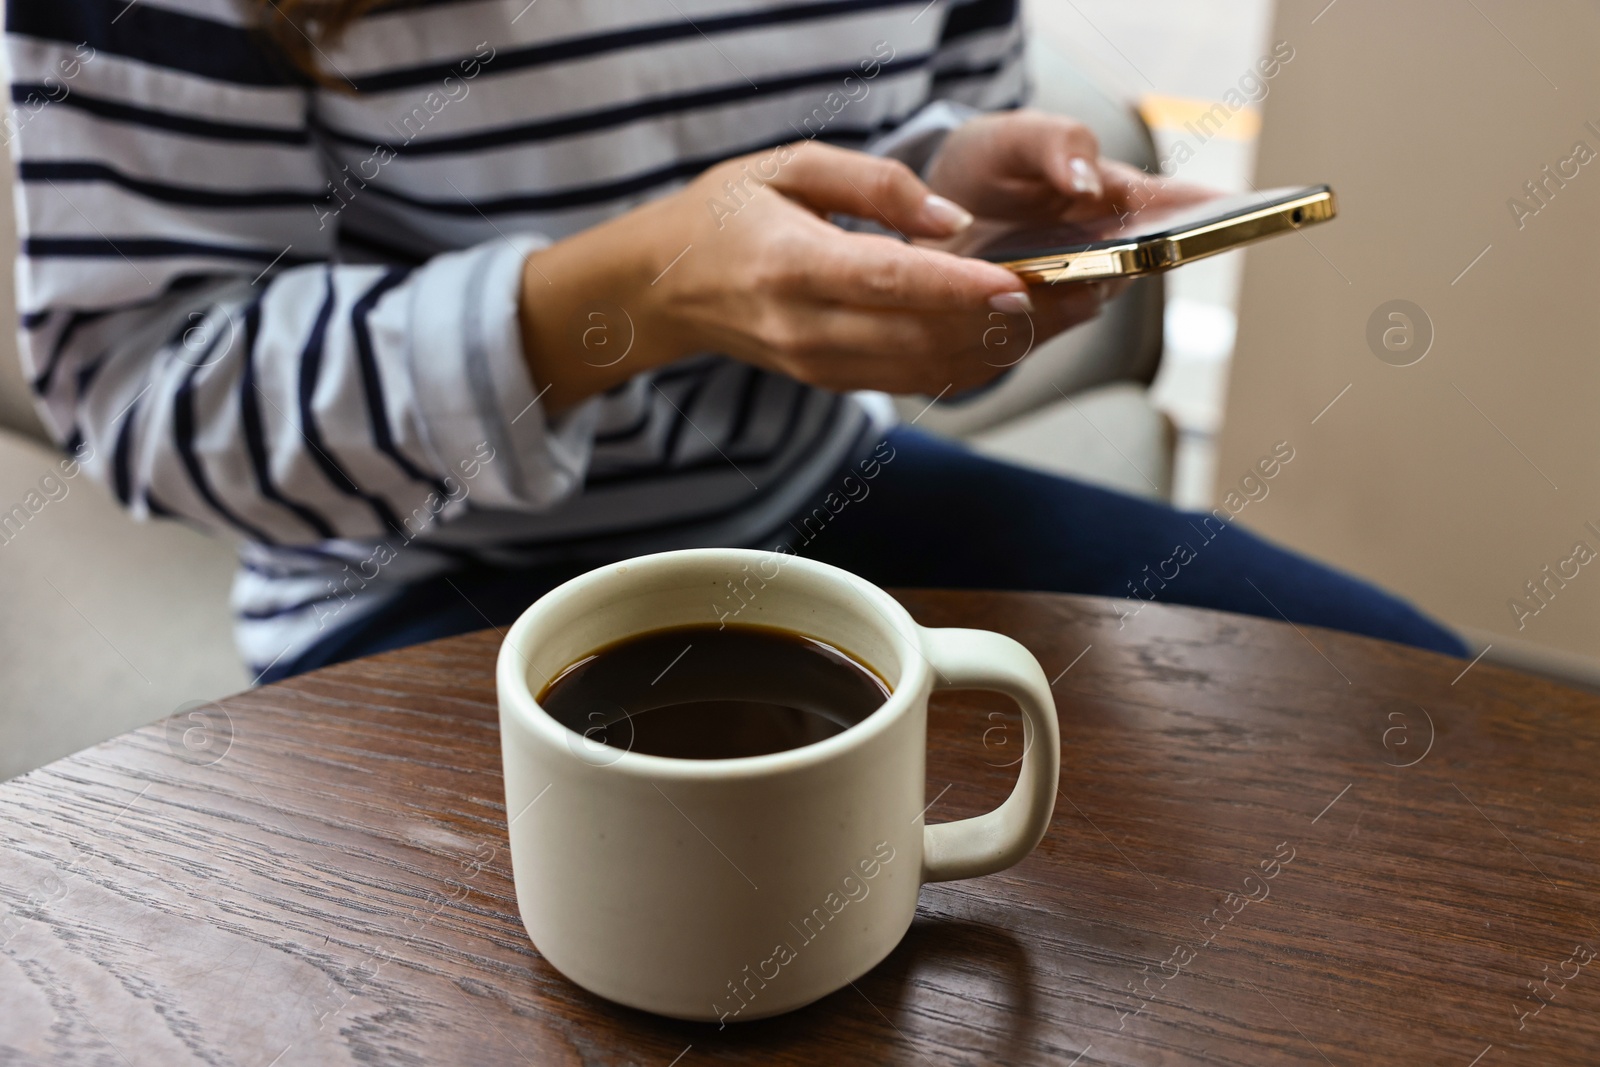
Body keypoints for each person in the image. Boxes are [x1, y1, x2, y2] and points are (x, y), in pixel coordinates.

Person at [3, 0, 1465, 681]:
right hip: (409, 588)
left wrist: (948, 204)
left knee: (1423, 716)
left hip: (817, 504)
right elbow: (146, 393)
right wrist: (624, 299)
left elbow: (900, 133)